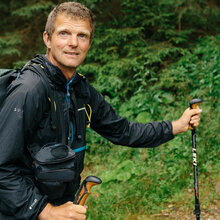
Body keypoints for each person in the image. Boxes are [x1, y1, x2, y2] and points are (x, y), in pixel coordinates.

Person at [0, 2, 202, 220]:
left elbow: (123, 130)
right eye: (64, 33)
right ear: (47, 39)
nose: (73, 43)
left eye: (82, 36)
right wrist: (45, 211)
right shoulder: (30, 90)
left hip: (63, 208)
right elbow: (3, 167)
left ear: (89, 43)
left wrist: (175, 126)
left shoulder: (79, 89)